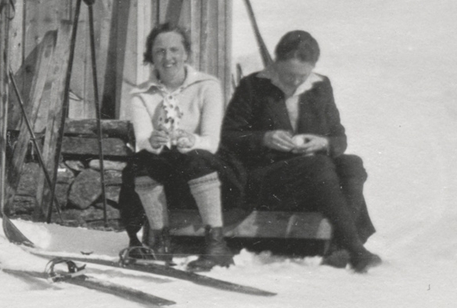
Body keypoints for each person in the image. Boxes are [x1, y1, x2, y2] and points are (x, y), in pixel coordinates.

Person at [221, 29, 380, 272]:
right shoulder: (254, 86)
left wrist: (323, 143)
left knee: (352, 164)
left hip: (315, 180)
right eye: (288, 75)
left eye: (301, 76)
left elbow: (339, 137)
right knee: (319, 165)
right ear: (276, 63)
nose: (295, 82)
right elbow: (229, 136)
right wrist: (264, 138)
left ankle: (338, 247)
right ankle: (354, 248)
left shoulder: (320, 86)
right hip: (268, 180)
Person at [125, 22, 240, 270]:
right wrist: (152, 141)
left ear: (186, 53)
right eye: (160, 51)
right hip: (167, 170)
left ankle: (216, 244)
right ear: (151, 58)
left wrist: (191, 140)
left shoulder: (207, 86)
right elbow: (142, 139)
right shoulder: (140, 95)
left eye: (174, 50)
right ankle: (160, 242)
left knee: (195, 156)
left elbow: (211, 140)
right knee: (141, 161)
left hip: (206, 169)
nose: (168, 57)